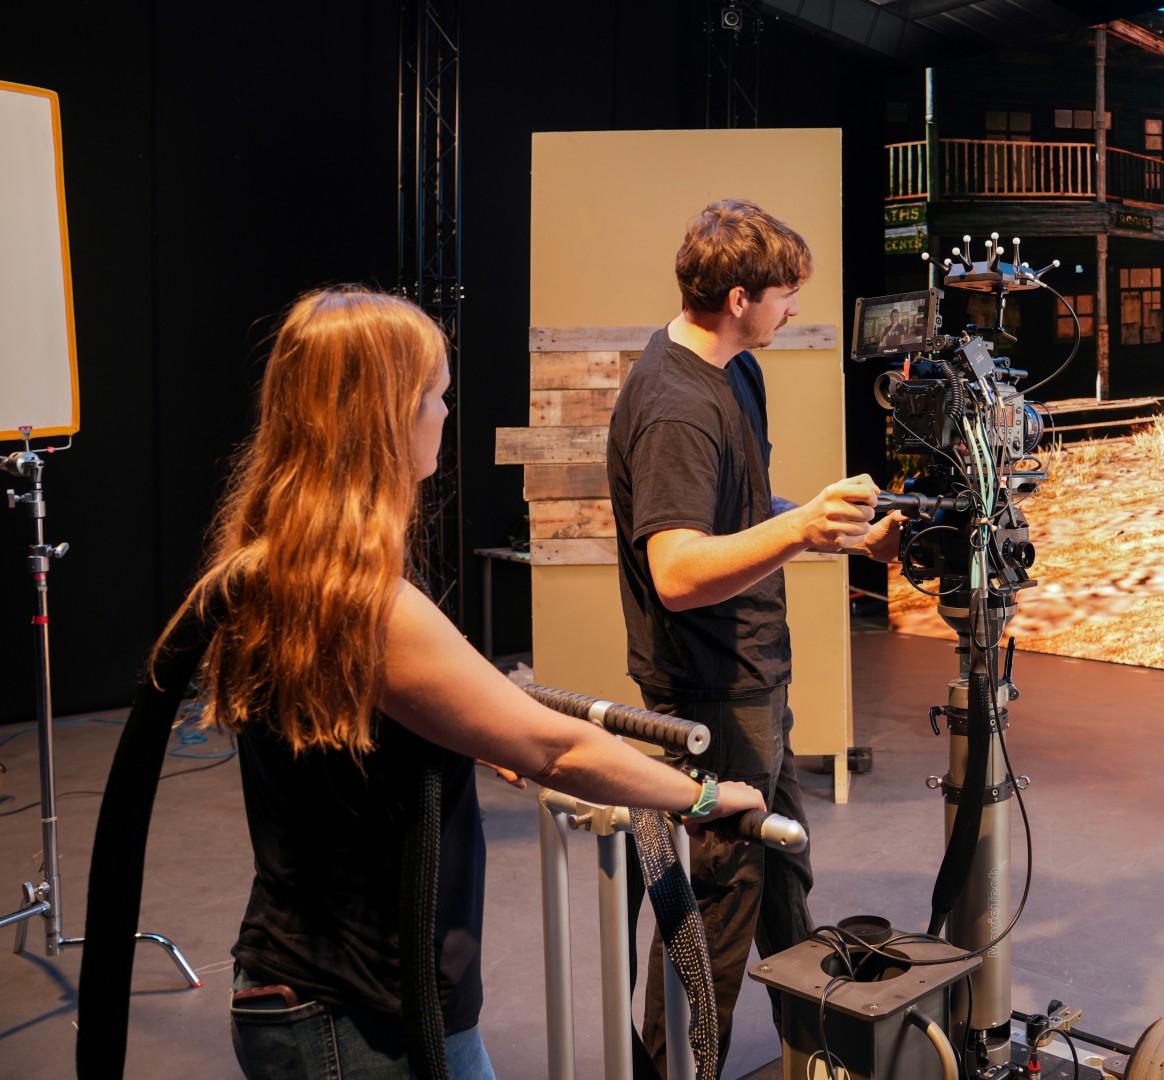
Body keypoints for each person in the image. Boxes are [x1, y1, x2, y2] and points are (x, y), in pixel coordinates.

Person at [101, 287, 767, 1080]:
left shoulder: (291, 566)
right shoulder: (368, 601)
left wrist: (471, 734)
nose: (446, 414)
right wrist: (701, 796)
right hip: (364, 1021)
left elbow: (363, 724)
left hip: (315, 998)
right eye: (436, 396)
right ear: (384, 417)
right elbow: (555, 748)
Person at [607, 198, 901, 1078]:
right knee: (716, 912)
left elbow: (740, 509)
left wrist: (841, 531)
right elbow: (678, 570)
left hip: (753, 678)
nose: (794, 308)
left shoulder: (735, 369)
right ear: (739, 298)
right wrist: (804, 528)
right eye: (784, 294)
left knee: (781, 879)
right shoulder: (675, 407)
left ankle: (810, 1059)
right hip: (709, 693)